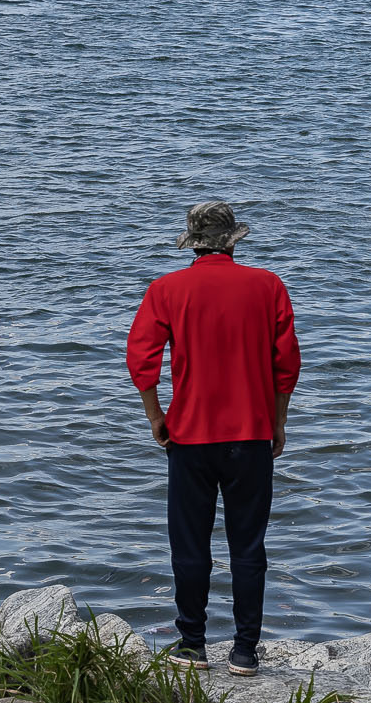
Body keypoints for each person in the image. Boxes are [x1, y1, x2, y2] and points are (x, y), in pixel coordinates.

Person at [125, 200, 300, 677]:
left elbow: (141, 358)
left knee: (189, 545)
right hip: (251, 436)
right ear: (232, 241)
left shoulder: (166, 289)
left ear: (193, 243)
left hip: (190, 436)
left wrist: (155, 416)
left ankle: (193, 645)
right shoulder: (267, 285)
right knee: (248, 547)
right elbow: (286, 365)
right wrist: (277, 423)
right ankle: (245, 652)